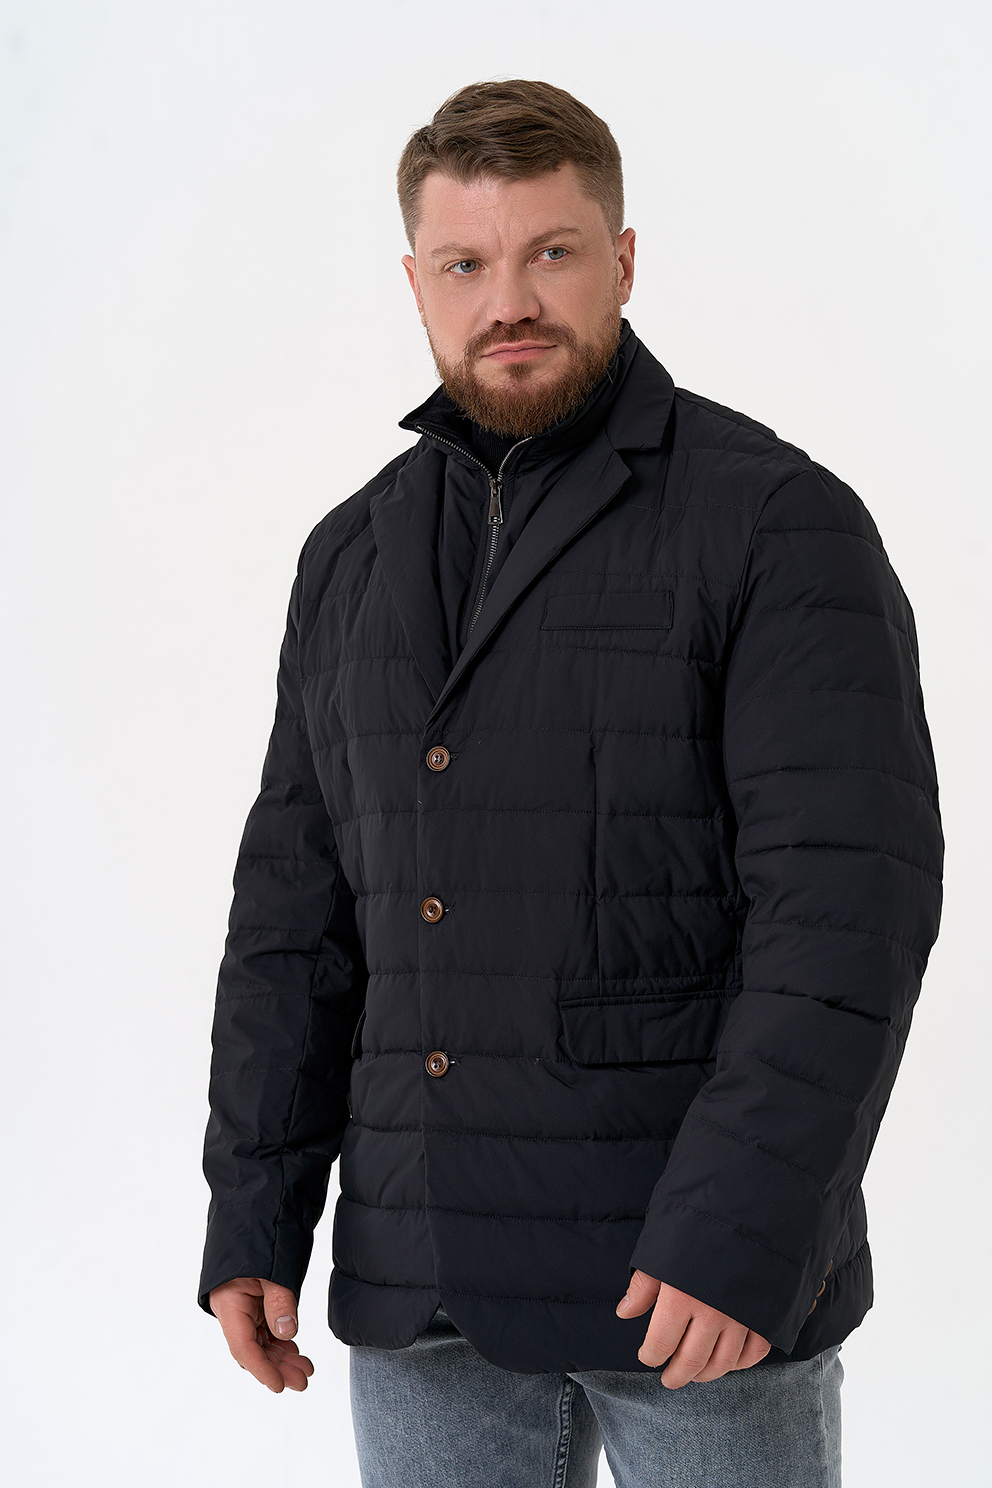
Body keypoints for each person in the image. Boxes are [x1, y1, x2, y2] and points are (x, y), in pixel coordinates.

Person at [198, 79, 943, 1486]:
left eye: (551, 252)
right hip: (421, 1278)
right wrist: (255, 1210)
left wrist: (744, 1227)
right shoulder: (350, 556)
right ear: (416, 282)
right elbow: (295, 918)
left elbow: (848, 914)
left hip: (690, 1288)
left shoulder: (776, 524)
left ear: (625, 259)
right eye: (465, 264)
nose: (509, 302)